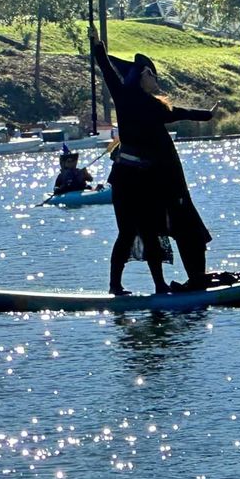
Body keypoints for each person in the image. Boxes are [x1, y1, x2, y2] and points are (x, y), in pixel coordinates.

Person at [91, 29, 218, 295]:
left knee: (150, 232)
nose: (155, 77)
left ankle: (160, 286)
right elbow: (106, 70)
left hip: (146, 181)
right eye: (151, 73)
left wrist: (206, 115)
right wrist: (98, 46)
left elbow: (179, 112)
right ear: (140, 76)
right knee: (126, 233)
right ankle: (115, 286)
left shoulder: (155, 106)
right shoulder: (125, 97)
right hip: (125, 179)